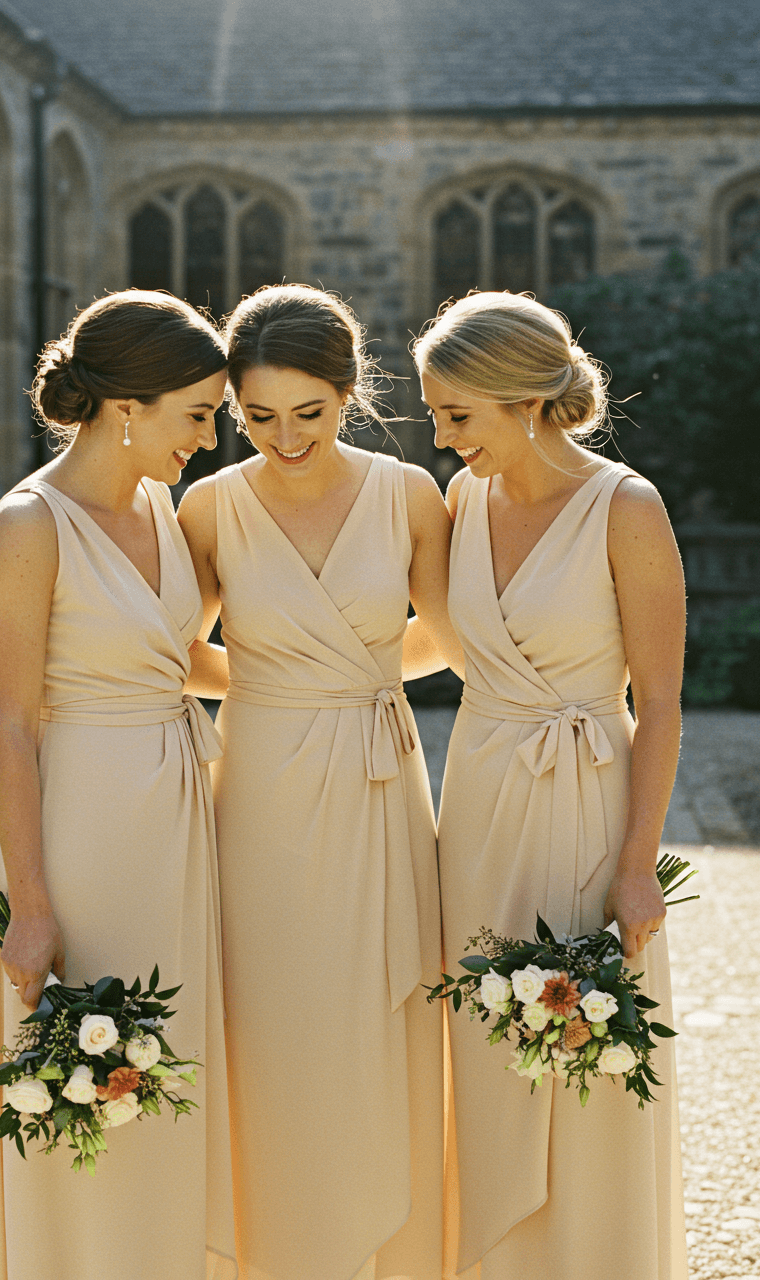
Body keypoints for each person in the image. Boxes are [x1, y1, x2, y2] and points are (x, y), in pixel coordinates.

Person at [178, 284, 461, 1280]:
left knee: (380, 1011)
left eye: (308, 412)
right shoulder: (207, 505)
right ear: (230, 407)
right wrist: (275, 684)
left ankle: (387, 1248)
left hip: (378, 779)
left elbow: (454, 636)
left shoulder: (407, 493)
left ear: (348, 391)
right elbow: (176, 651)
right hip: (258, 781)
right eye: (256, 417)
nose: (283, 437)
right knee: (268, 1013)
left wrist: (358, 673)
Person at [0, 291, 237, 1280]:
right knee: (70, 1073)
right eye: (197, 414)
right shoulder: (30, 523)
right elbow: (12, 724)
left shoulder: (158, 511)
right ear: (129, 405)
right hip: (75, 830)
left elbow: (175, 655)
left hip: (173, 816)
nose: (207, 439)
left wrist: (315, 675)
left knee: (164, 1068)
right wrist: (30, 906)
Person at [415, 291, 688, 1280]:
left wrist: (633, 865)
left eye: (456, 416)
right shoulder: (459, 505)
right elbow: (430, 644)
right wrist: (295, 671)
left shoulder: (624, 505)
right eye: (437, 416)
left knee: (587, 1043)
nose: (442, 441)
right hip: (481, 796)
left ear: (523, 400)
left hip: (584, 799)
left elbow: (657, 699)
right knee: (488, 1043)